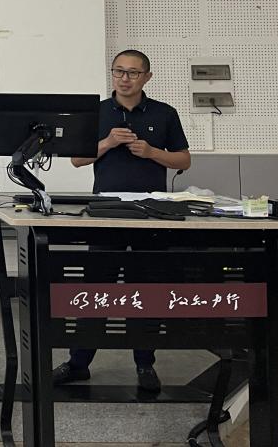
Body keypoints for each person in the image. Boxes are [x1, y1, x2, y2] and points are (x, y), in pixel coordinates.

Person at [52, 49, 191, 394]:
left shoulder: (164, 113)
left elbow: (183, 160)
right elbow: (77, 159)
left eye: (132, 73)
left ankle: (145, 364)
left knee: (146, 290)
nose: (124, 79)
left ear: (147, 77)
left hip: (151, 213)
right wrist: (109, 142)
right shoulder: (98, 112)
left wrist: (152, 152)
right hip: (106, 212)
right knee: (96, 288)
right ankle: (78, 363)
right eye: (118, 71)